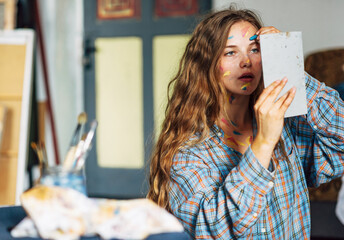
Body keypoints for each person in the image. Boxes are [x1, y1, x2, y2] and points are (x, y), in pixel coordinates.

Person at [147, 5, 344, 239]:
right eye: (230, 52)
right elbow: (214, 229)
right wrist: (263, 144)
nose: (247, 62)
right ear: (206, 63)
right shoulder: (190, 151)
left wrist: (290, 71)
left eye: (255, 49)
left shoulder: (287, 129)